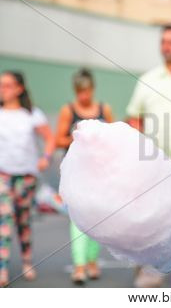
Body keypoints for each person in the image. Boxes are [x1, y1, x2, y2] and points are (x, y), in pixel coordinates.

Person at [126, 25, 171, 287]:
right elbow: (134, 118)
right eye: (163, 41)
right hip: (153, 164)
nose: (167, 46)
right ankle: (148, 269)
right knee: (149, 218)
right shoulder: (147, 80)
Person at [55, 68, 113, 285]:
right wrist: (78, 136)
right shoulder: (68, 110)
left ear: (92, 89)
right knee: (77, 220)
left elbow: (113, 138)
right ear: (75, 91)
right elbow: (58, 139)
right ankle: (79, 266)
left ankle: (92, 261)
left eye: (86, 91)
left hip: (99, 172)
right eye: (79, 92)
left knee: (97, 219)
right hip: (76, 173)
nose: (83, 96)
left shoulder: (103, 109)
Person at [0, 71, 55, 287]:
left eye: (7, 85)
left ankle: (26, 261)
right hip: (3, 175)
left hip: (27, 175)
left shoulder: (32, 114)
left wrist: (46, 157)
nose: (3, 89)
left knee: (23, 221)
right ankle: (2, 269)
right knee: (3, 219)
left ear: (19, 89)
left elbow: (49, 139)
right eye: (1, 85)